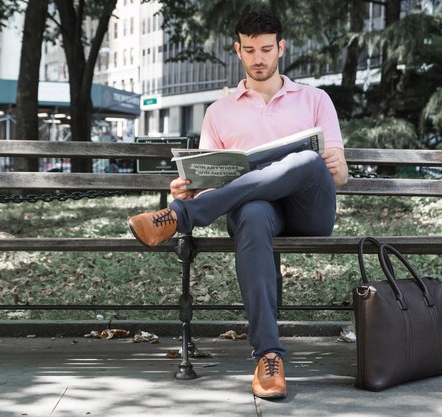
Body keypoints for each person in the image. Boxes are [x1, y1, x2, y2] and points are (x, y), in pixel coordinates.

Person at [128, 7, 348, 399]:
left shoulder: (315, 100)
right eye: (250, 50)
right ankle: (268, 357)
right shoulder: (219, 111)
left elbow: (339, 176)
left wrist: (334, 163)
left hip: (308, 211)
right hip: (258, 215)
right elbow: (212, 180)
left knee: (307, 160)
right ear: (238, 50)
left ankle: (179, 219)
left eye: (266, 49)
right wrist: (192, 189)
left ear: (281, 47)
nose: (259, 58)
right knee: (251, 210)